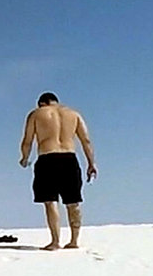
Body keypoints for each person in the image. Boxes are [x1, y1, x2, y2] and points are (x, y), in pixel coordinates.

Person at [19, 92, 97, 250]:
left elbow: (27, 140)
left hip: (47, 159)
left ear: (42, 103)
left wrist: (25, 158)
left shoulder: (36, 114)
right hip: (69, 158)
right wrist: (91, 163)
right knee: (73, 202)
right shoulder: (74, 114)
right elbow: (86, 141)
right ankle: (74, 241)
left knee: (50, 201)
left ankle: (55, 241)